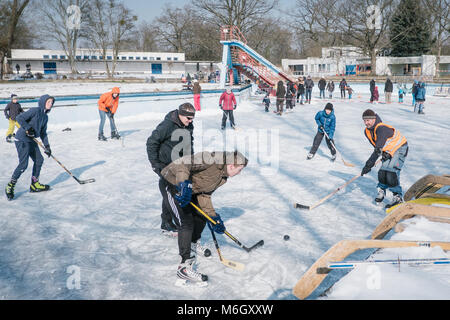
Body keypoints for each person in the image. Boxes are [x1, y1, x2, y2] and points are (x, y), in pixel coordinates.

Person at [160, 150, 248, 284]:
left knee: (202, 216)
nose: (239, 173)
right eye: (239, 170)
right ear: (231, 165)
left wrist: (213, 216)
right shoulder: (210, 159)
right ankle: (183, 268)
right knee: (186, 223)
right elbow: (183, 164)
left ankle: (192, 243)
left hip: (188, 191)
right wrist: (184, 184)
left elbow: (204, 195)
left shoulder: (222, 177)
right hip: (172, 183)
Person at [147, 103, 196, 236]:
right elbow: (151, 142)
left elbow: (188, 143)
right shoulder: (167, 125)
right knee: (171, 191)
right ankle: (171, 223)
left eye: (192, 118)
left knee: (169, 193)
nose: (191, 121)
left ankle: (166, 222)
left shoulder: (188, 125)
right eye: (189, 118)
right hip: (165, 164)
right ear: (180, 115)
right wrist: (155, 163)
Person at [5, 95, 55, 201]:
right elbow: (19, 118)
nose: (50, 104)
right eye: (49, 102)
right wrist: (28, 128)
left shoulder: (45, 117)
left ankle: (34, 184)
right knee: (23, 164)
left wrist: (47, 146)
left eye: (52, 102)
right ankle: (10, 186)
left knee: (39, 160)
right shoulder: (35, 111)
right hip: (22, 139)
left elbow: (43, 133)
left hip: (32, 140)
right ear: (42, 102)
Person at [360, 109, 408, 208]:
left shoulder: (381, 129)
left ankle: (397, 196)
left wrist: (368, 165)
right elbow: (377, 147)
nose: (366, 123)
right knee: (382, 171)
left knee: (391, 171)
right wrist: (385, 153)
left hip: (400, 148)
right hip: (389, 150)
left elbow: (377, 150)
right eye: (364, 120)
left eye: (368, 120)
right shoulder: (367, 131)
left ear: (374, 119)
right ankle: (381, 190)